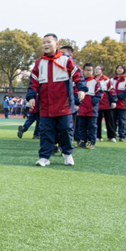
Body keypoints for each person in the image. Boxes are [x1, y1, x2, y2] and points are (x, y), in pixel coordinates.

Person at [27, 33, 87, 167]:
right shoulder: (39, 63)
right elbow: (33, 82)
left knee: (65, 129)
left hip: (64, 104)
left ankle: (67, 154)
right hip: (45, 105)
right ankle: (44, 157)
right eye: (43, 43)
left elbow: (78, 75)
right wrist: (31, 97)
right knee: (45, 131)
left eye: (49, 42)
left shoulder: (66, 60)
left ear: (56, 44)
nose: (46, 45)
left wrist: (81, 89)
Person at [76, 63, 102, 149]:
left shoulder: (96, 82)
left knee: (92, 126)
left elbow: (99, 94)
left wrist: (92, 102)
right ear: (83, 71)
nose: (88, 72)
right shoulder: (79, 81)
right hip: (81, 108)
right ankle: (82, 141)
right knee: (81, 126)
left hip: (91, 109)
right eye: (86, 70)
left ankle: (91, 142)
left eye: (90, 70)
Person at [94, 65, 117, 142]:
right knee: (97, 121)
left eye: (98, 69)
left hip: (106, 103)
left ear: (102, 71)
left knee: (109, 121)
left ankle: (111, 136)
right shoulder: (93, 79)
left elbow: (112, 91)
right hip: (97, 103)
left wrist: (113, 101)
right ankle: (98, 136)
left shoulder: (106, 80)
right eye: (95, 69)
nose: (96, 70)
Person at [111, 64, 126, 142]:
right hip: (114, 103)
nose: (119, 70)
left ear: (124, 70)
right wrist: (113, 97)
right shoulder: (113, 79)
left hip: (123, 103)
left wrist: (118, 97)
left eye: (121, 68)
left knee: (122, 121)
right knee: (113, 120)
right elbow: (110, 89)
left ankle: (122, 135)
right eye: (118, 68)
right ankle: (113, 135)